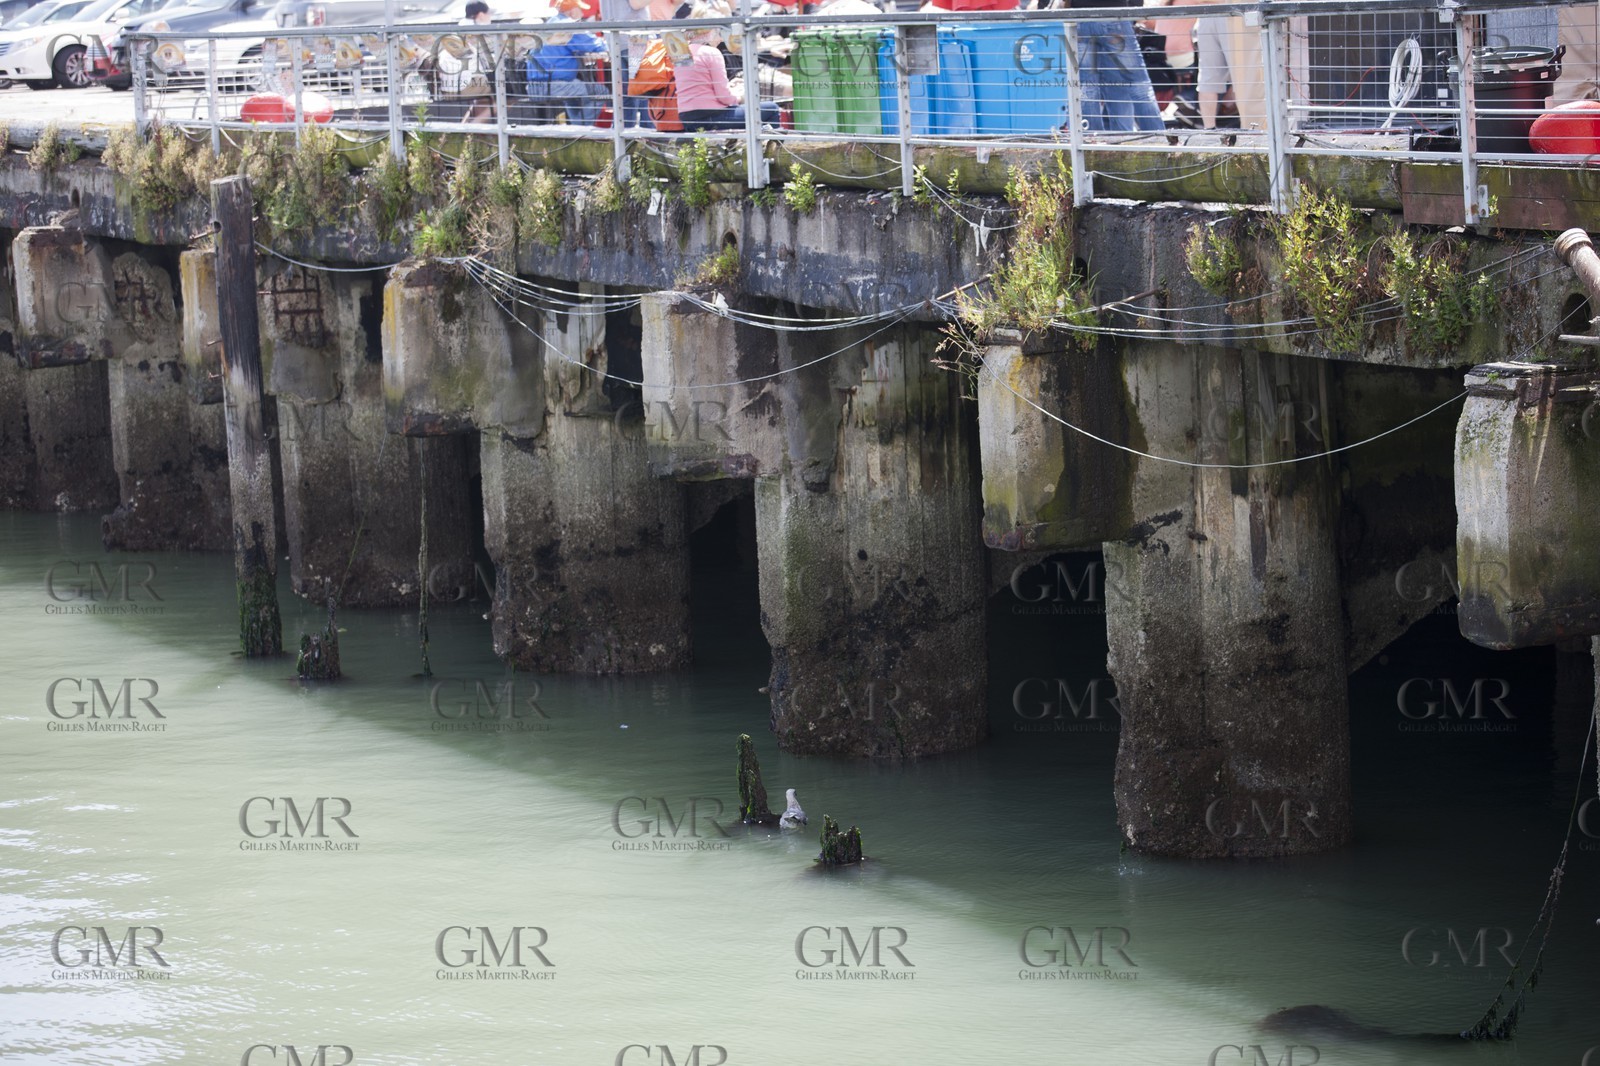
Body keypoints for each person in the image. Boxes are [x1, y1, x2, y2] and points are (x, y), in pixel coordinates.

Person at [673, 12, 780, 130]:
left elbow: (698, 86)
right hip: (712, 115)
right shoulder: (712, 52)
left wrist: (730, 88)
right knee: (772, 108)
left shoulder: (682, 53)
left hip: (687, 117)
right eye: (718, 33)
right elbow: (723, 97)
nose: (720, 39)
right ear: (709, 33)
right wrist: (739, 96)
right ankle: (763, 147)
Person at [1071, 0, 1164, 133]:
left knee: (1087, 89)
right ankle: (1157, 138)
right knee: (1137, 85)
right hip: (1114, 14)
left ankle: (1090, 144)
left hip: (1079, 16)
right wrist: (1132, 10)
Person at [526, 0, 607, 124]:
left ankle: (577, 128)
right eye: (580, 9)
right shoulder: (568, 25)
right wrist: (609, 45)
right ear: (572, 11)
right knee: (600, 92)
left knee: (574, 94)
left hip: (534, 87)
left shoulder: (551, 23)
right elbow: (594, 45)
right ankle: (583, 130)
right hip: (555, 86)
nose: (582, 12)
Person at [600, 0, 679, 127]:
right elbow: (637, 3)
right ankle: (648, 139)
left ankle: (625, 140)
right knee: (647, 92)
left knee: (627, 97)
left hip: (617, 39)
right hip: (635, 38)